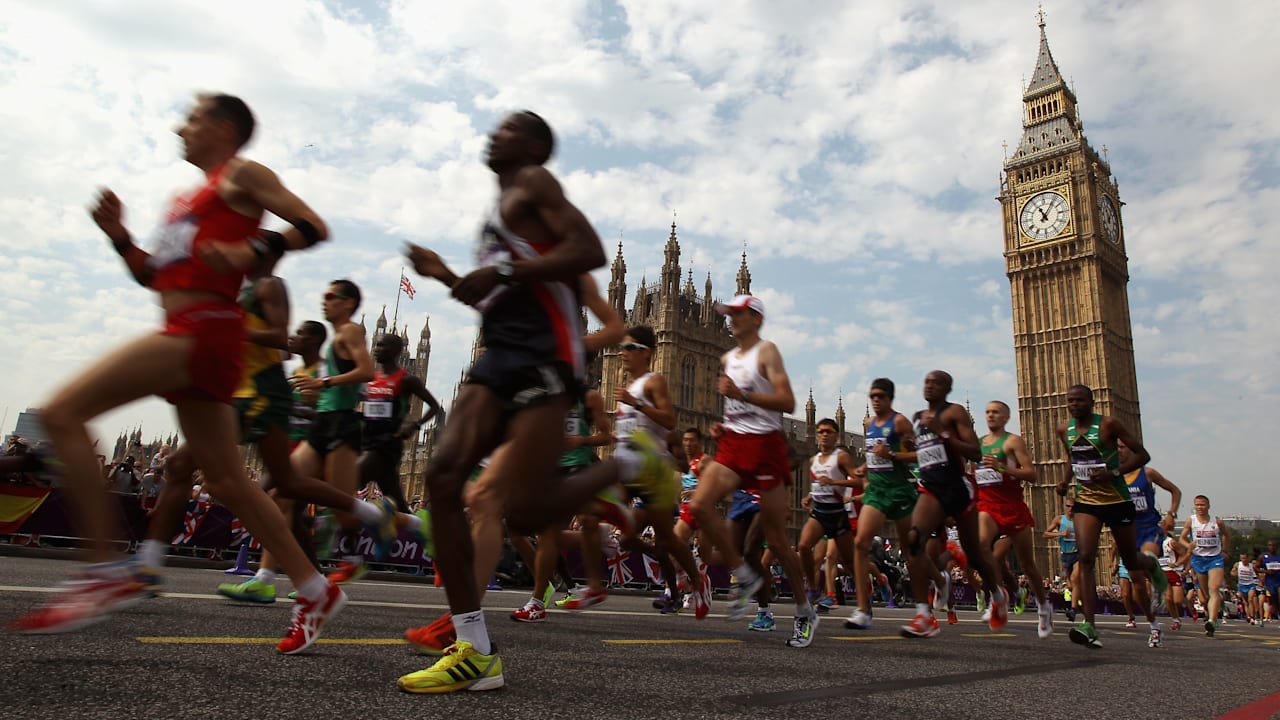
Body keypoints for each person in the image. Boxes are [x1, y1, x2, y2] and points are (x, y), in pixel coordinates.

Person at [9, 93, 345, 653]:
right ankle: (314, 588)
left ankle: (103, 569)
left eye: (191, 118)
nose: (179, 127)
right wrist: (119, 236)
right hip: (194, 330)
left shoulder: (243, 174)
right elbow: (155, 276)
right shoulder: (183, 202)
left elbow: (311, 225)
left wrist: (251, 247)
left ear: (222, 126)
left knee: (64, 413)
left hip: (201, 330)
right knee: (227, 481)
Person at [397, 111, 670, 693]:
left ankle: (627, 463)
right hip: (497, 356)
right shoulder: (498, 214)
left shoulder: (535, 186)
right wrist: (447, 274)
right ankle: (473, 644)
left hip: (543, 363)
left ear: (535, 148)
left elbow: (588, 251)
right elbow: (496, 297)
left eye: (512, 127)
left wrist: (518, 278)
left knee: (518, 509)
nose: (496, 131)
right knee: (446, 482)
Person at [686, 295, 817, 648]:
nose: (731, 320)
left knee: (776, 542)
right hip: (733, 446)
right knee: (699, 506)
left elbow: (786, 402)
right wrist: (724, 429)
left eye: (739, 314)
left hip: (765, 448)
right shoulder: (727, 358)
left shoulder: (767, 351)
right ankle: (745, 576)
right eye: (729, 314)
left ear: (756, 318)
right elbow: (735, 410)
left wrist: (741, 395)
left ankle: (805, 611)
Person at [1055, 384, 1167, 648]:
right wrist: (1064, 481)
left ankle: (1151, 564)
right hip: (1087, 501)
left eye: (1080, 400)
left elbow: (1143, 455)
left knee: (1132, 559)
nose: (1075, 404)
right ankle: (1089, 624)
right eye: (1071, 400)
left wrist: (1112, 473)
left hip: (1117, 500)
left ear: (1092, 402)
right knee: (1085, 557)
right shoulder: (1064, 429)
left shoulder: (1108, 425)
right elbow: (1072, 456)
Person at [900, 371, 1009, 639]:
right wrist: (894, 455)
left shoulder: (955, 413)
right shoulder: (919, 419)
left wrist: (943, 433)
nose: (929, 386)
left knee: (974, 553)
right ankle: (924, 615)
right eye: (926, 381)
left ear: (947, 388)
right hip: (931, 488)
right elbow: (925, 454)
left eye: (936, 382)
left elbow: (974, 452)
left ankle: (997, 594)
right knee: (913, 540)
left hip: (958, 488)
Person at [975, 400, 1054, 639]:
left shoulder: (1012, 441)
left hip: (1012, 507)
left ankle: (1043, 608)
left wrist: (1003, 468)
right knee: (981, 546)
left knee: (1028, 564)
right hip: (987, 505)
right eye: (987, 411)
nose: (991, 415)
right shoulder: (978, 444)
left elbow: (1031, 474)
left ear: (1006, 417)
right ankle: (998, 597)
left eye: (996, 412)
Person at [846, 378, 916, 631]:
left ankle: (924, 609)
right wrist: (866, 466)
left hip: (899, 490)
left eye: (880, 395)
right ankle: (864, 610)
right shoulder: (868, 424)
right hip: (876, 490)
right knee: (860, 543)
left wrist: (893, 455)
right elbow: (872, 455)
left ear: (889, 398)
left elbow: (918, 454)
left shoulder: (900, 422)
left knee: (910, 551)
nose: (875, 399)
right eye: (872, 395)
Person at [359, 332, 443, 514]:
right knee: (397, 504)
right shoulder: (372, 378)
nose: (376, 349)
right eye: (376, 344)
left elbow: (434, 406)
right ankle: (416, 535)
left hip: (386, 445)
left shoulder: (406, 379)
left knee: (348, 482)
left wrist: (414, 425)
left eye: (382, 346)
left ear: (396, 351)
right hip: (369, 443)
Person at [796, 418, 861, 613]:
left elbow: (858, 482)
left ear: (836, 435)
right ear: (816, 434)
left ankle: (865, 595)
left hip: (837, 514)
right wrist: (809, 496)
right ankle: (814, 589)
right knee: (804, 546)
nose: (824, 434)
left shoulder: (842, 457)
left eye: (829, 431)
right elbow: (819, 486)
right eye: (821, 431)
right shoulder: (812, 460)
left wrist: (834, 482)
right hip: (819, 513)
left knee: (849, 562)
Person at [1179, 494, 1230, 636]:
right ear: (1194, 506)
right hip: (1198, 559)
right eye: (1197, 505)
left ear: (1208, 506)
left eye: (1202, 505)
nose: (1200, 507)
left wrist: (1225, 550)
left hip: (1215, 558)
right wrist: (1188, 545)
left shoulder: (1217, 522)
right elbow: (1182, 538)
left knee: (1213, 589)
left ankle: (1212, 622)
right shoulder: (1191, 521)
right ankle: (1216, 606)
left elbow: (1226, 535)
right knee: (1207, 594)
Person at [1044, 497, 1080, 620]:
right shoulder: (1060, 520)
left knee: (1075, 579)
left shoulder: (1080, 520)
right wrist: (1060, 533)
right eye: (1068, 506)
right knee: (1070, 585)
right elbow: (1045, 534)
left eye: (1073, 507)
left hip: (1078, 554)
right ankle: (1079, 601)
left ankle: (1073, 609)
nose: (1071, 509)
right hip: (1065, 554)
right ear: (1065, 506)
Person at [1231, 551, 1261, 625]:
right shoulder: (1238, 565)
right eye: (1242, 558)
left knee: (1250, 599)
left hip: (1251, 585)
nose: (1243, 560)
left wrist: (1259, 580)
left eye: (1245, 558)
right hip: (1242, 585)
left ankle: (1252, 617)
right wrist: (1234, 573)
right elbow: (1232, 572)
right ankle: (1248, 616)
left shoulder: (1251, 566)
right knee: (1246, 602)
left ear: (1247, 558)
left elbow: (1257, 573)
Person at [1260, 540, 1280, 623]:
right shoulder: (1263, 557)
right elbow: (1256, 567)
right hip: (1270, 582)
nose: (1272, 547)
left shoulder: (1279, 557)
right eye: (1270, 545)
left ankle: (1277, 612)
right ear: (1267, 547)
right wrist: (1266, 572)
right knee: (1274, 597)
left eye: (1273, 545)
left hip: (1279, 580)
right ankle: (1276, 609)